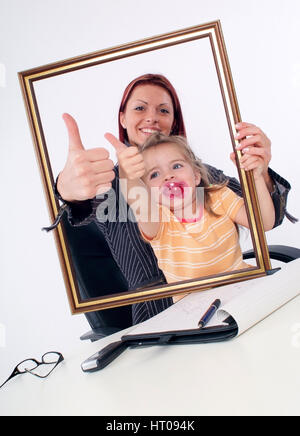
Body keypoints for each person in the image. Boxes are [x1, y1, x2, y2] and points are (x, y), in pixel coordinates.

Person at [51, 74, 293, 324]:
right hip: (162, 316)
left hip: (236, 296)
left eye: (163, 110)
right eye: (140, 108)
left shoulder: (196, 175)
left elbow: (263, 217)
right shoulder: (105, 181)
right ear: (122, 117)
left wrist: (259, 172)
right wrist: (64, 188)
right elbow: (85, 205)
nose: (152, 116)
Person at [108, 132, 275, 303]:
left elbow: (264, 223)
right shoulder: (158, 219)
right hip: (193, 309)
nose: (168, 176)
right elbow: (137, 200)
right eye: (154, 175)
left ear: (196, 176)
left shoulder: (220, 196)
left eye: (177, 166)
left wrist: (256, 177)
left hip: (244, 290)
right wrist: (128, 175)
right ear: (149, 192)